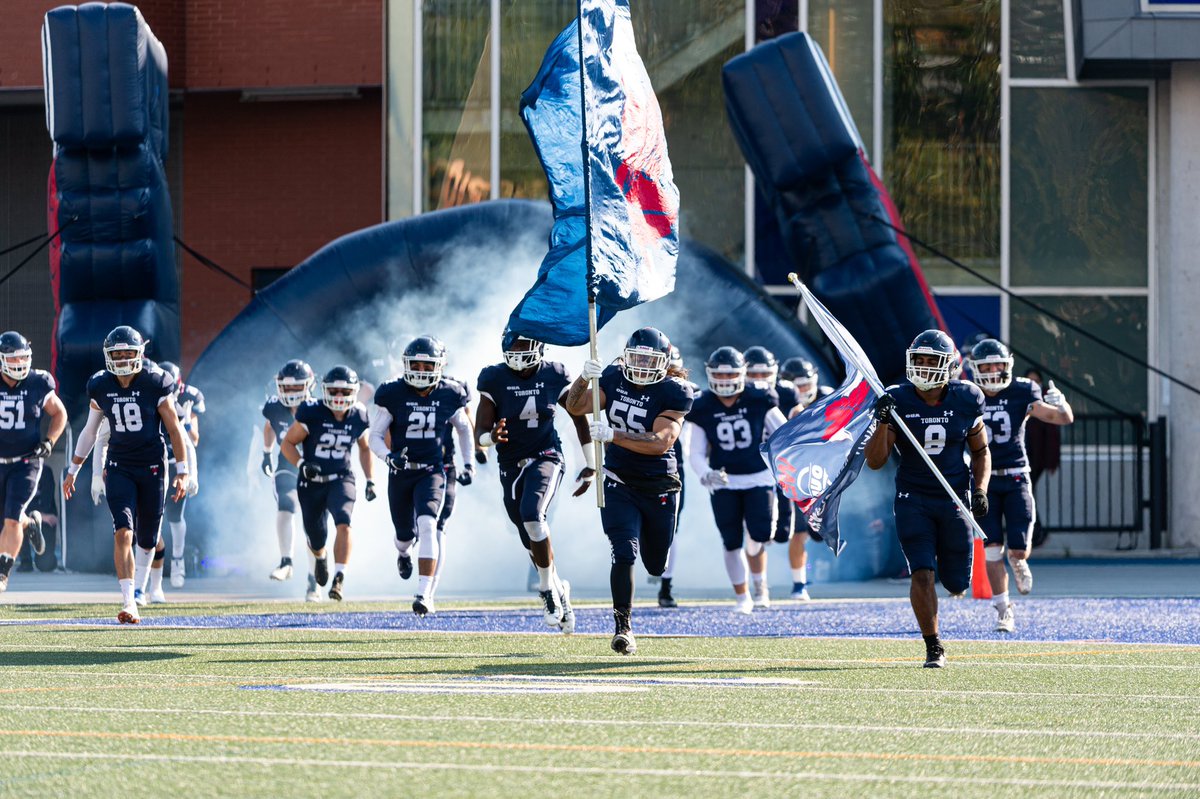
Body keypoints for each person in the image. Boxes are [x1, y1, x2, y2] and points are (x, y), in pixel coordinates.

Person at [865, 329, 991, 667]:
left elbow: (980, 452)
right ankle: (933, 645)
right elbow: (875, 461)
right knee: (922, 573)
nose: (922, 367)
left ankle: (944, 603)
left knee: (955, 581)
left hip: (953, 498)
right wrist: (881, 420)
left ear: (948, 366)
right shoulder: (898, 399)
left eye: (931, 361)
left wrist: (979, 489)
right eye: (917, 360)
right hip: (913, 497)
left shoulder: (966, 398)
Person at [564, 327, 693, 654]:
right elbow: (576, 407)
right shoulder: (613, 377)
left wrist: (613, 436)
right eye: (635, 357)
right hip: (619, 480)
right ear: (625, 355)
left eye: (649, 360)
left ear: (664, 362)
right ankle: (623, 628)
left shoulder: (675, 392)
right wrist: (583, 378)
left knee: (655, 565)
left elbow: (661, 442)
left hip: (659, 486)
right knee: (624, 551)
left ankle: (648, 587)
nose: (640, 365)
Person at [62, 326, 190, 624]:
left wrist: (183, 471)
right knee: (123, 532)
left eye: (127, 353)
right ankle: (129, 600)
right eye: (116, 354)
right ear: (107, 356)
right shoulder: (100, 385)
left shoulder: (155, 381)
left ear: (139, 354)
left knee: (147, 539)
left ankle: (141, 589)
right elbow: (91, 432)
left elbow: (174, 429)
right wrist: (74, 469)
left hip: (153, 467)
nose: (121, 359)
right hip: (119, 466)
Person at [475, 329, 592, 632]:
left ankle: (545, 590)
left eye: (525, 346)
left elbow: (579, 415)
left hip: (547, 454)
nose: (519, 352)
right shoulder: (493, 378)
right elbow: (481, 430)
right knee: (528, 536)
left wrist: (591, 464)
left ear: (540, 346)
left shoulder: (555, 374)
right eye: (513, 347)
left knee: (533, 516)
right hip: (510, 462)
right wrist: (491, 438)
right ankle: (559, 589)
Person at [968, 340, 1073, 632]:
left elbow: (1062, 418)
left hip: (1015, 476)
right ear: (975, 368)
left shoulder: (1021, 391)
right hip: (983, 480)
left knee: (1018, 548)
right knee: (991, 550)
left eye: (996, 365)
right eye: (985, 366)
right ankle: (1004, 610)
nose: (991, 371)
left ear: (1007, 366)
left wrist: (1060, 403)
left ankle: (1018, 561)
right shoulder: (967, 394)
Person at [369, 336, 474, 616]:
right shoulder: (393, 392)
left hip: (433, 471)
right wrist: (388, 457)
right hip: (401, 473)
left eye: (427, 366)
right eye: (415, 364)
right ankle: (403, 554)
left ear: (439, 366)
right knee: (404, 536)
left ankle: (424, 593)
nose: (420, 370)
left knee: (428, 523)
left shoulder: (450, 392)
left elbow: (464, 428)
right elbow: (375, 436)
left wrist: (467, 464)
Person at [686, 346, 786, 613]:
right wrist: (705, 473)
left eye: (731, 376)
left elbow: (783, 433)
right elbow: (694, 451)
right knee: (731, 540)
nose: (725, 381)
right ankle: (743, 597)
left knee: (760, 534)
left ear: (742, 374)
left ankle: (760, 584)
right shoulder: (702, 405)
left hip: (758, 477)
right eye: (719, 375)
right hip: (724, 480)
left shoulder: (759, 398)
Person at [280, 365, 374, 603]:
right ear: (325, 391)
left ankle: (339, 577)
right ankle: (321, 558)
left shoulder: (359, 415)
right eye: (334, 391)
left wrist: (370, 479)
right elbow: (287, 444)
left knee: (344, 522)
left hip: (341, 478)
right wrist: (302, 464)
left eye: (344, 392)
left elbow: (364, 448)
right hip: (312, 482)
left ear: (353, 392)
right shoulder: (312, 412)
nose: (339, 397)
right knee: (316, 536)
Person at [0, 331, 67, 593]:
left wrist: (49, 441)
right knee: (10, 519)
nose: (20, 364)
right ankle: (32, 523)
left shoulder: (38, 382)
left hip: (26, 461)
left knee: (11, 520)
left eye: (23, 358)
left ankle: (3, 574)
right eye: (14, 360)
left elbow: (59, 413)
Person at [261, 360, 316, 597]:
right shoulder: (274, 407)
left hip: (315, 470)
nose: (291, 392)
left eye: (296, 388)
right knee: (286, 505)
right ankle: (286, 562)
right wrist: (266, 453)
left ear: (308, 386)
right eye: (287, 387)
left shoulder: (318, 408)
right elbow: (269, 427)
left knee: (314, 526)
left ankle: (313, 582)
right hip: (287, 466)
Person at [777, 355, 826, 600]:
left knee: (817, 533)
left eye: (805, 385)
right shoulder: (778, 402)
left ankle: (808, 573)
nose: (802, 391)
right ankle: (799, 583)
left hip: (822, 474)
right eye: (797, 387)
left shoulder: (827, 398)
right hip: (794, 475)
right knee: (799, 532)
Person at [655, 345, 698, 609]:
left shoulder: (688, 393)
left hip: (672, 466)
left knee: (671, 527)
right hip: (633, 462)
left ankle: (665, 585)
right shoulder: (636, 387)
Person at [1023, 368, 1061, 548]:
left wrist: (1051, 460)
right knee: (1025, 495)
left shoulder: (1043, 401)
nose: (1033, 384)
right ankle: (1034, 531)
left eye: (1036, 380)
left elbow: (1054, 429)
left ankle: (1035, 531)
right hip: (1018, 457)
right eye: (1029, 380)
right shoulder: (1018, 397)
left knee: (1027, 494)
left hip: (1035, 458)